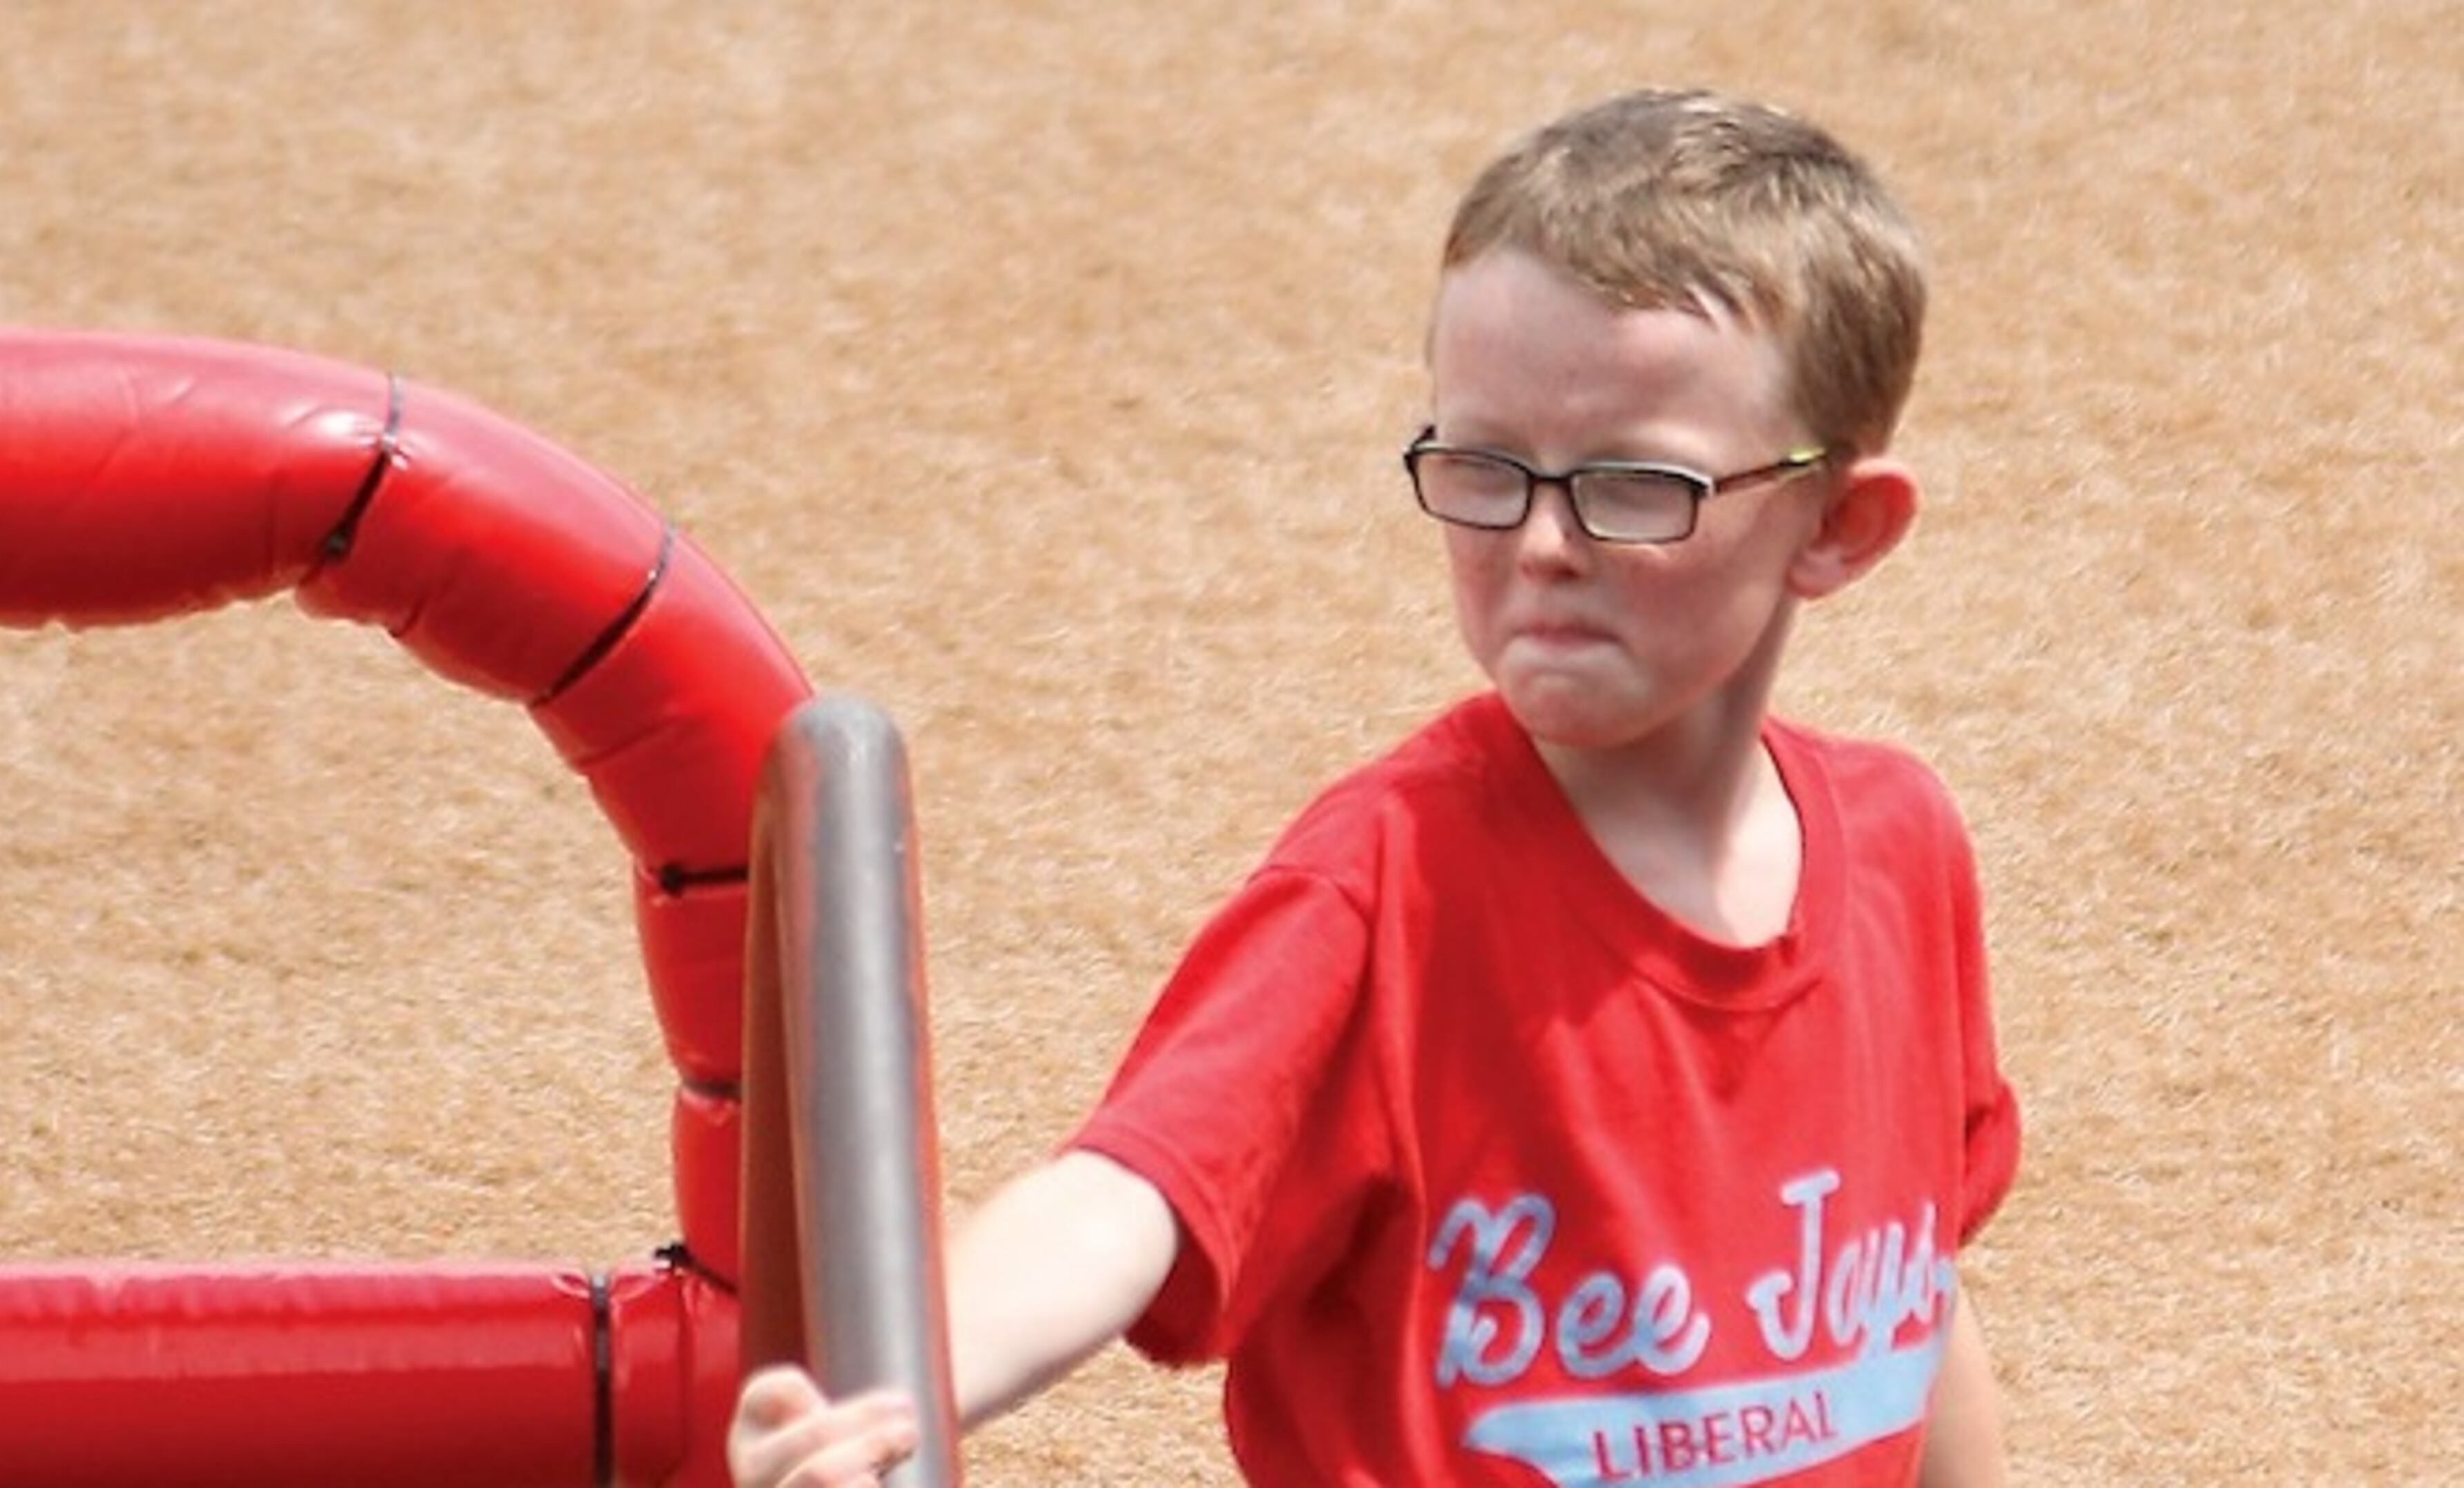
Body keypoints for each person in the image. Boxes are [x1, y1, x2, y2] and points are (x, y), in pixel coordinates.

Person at [729, 85, 2022, 1487]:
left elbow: (1904, 1295)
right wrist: (910, 1391)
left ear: (1839, 526)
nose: (1539, 542)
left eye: (1634, 486)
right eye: (1485, 466)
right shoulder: (1388, 880)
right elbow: (1127, 1197)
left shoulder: (1904, 854)